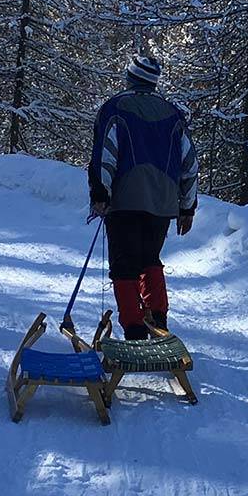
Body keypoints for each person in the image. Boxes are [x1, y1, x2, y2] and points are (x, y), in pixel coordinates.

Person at [89, 54, 200, 341]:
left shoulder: (115, 107)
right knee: (150, 258)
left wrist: (100, 193)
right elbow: (189, 163)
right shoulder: (173, 113)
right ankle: (158, 319)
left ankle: (135, 329)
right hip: (163, 204)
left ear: (129, 77)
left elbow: (105, 155)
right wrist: (187, 207)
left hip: (124, 200)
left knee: (124, 265)